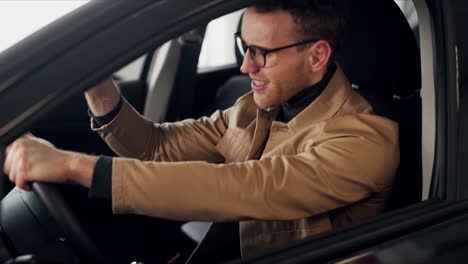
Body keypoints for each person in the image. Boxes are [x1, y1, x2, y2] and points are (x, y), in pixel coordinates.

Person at [3, 0, 399, 259]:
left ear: (317, 55)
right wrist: (96, 84)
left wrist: (75, 167)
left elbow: (243, 187)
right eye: (243, 47)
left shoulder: (364, 141)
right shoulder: (254, 109)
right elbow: (155, 147)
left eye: (261, 53)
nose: (246, 67)